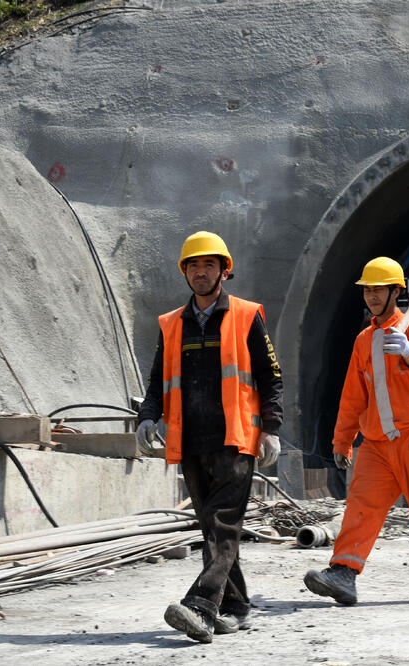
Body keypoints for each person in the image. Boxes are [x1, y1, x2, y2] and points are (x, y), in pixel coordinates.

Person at [135, 231, 283, 643]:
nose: (202, 272)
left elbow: (271, 377)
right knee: (213, 530)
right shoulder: (170, 324)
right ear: (185, 272)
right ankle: (236, 606)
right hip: (192, 441)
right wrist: (148, 417)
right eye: (194, 266)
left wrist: (271, 429)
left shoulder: (246, 315)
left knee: (222, 526)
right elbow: (157, 381)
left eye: (209, 265)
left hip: (235, 439)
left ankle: (201, 606)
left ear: (224, 270)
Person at [303, 256, 409, 605]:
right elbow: (352, 397)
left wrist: (407, 353)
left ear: (396, 291)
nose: (371, 296)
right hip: (375, 442)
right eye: (367, 290)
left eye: (378, 289)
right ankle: (343, 573)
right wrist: (342, 442)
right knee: (361, 506)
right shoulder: (364, 341)